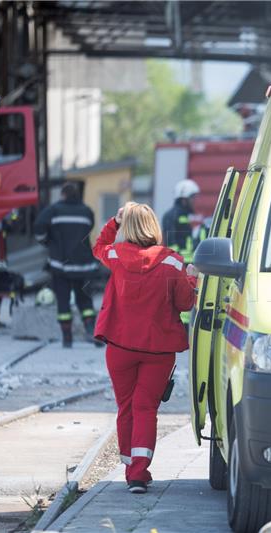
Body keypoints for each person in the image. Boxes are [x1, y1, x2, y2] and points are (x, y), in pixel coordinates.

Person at [93, 202, 198, 494]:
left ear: (127, 227)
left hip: (120, 347)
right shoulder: (173, 263)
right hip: (158, 350)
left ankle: (131, 469)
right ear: (154, 226)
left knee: (126, 407)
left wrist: (114, 220)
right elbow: (186, 303)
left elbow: (99, 245)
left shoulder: (115, 255)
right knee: (145, 408)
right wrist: (191, 277)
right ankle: (139, 472)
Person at [33, 183, 99, 348]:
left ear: (63, 195)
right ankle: (91, 330)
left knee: (63, 301)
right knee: (85, 301)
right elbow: (88, 228)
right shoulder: (87, 211)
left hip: (60, 265)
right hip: (83, 265)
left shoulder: (53, 210)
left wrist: (47, 242)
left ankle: (67, 338)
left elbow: (38, 227)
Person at [161, 179, 200, 261]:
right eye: (192, 198)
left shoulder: (185, 216)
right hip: (179, 266)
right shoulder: (171, 216)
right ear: (184, 200)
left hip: (188, 265)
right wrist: (178, 262)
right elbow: (171, 244)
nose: (195, 201)